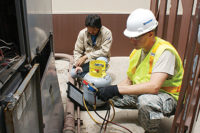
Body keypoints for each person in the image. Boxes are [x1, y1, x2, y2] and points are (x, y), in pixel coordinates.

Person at [97, 8, 184, 133]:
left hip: (169, 97)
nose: (131, 40)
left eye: (136, 37)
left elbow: (154, 87)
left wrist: (116, 89)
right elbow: (129, 80)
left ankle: (151, 129)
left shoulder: (164, 52)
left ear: (150, 34)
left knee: (146, 102)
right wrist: (110, 90)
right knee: (113, 96)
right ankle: (144, 111)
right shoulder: (138, 51)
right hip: (146, 92)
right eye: (130, 36)